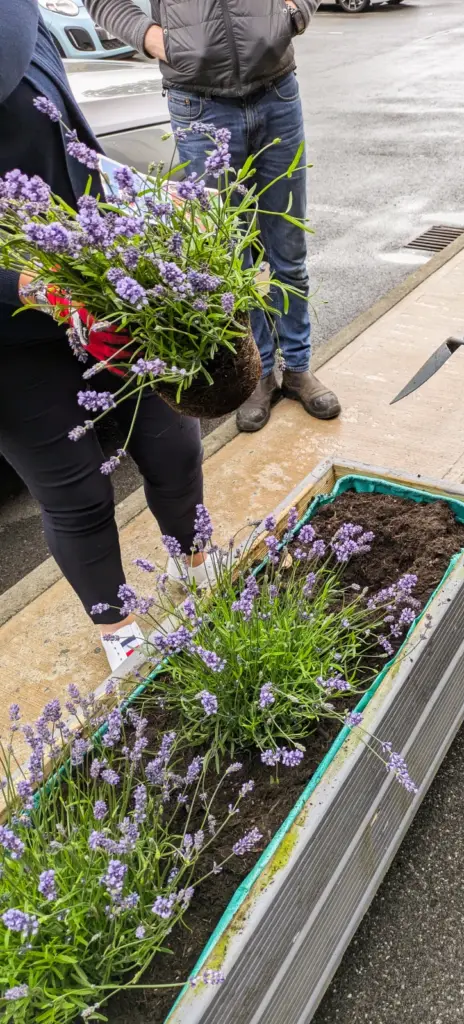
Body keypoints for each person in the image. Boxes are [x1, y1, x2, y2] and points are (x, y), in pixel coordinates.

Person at [0, 0, 209, 671]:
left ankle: (197, 570)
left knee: (173, 444)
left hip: (100, 292)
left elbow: (74, 151)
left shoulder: (17, 25)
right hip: (10, 344)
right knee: (78, 494)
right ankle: (119, 633)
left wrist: (139, 199)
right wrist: (26, 287)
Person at [87, 0, 341, 434]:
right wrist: (158, 40)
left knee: (287, 247)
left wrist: (294, 14)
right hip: (199, 104)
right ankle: (259, 373)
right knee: (231, 258)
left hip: (276, 90)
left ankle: (297, 366)